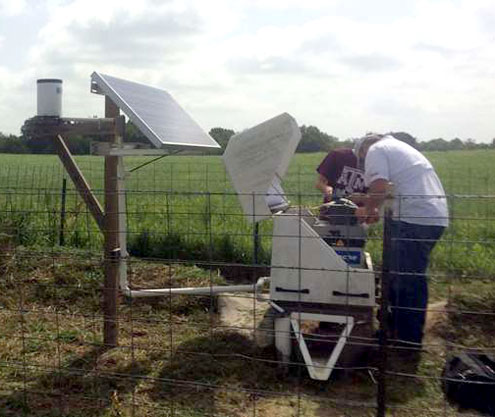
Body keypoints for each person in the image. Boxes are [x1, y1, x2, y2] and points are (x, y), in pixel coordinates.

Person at [355, 134, 449, 347]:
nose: (363, 162)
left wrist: (367, 210)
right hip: (428, 216)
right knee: (401, 276)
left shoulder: (376, 150)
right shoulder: (396, 147)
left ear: (363, 149)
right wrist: (374, 208)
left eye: (361, 158)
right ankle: (395, 331)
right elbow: (389, 190)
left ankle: (406, 341)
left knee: (406, 279)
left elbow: (378, 186)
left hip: (414, 218)